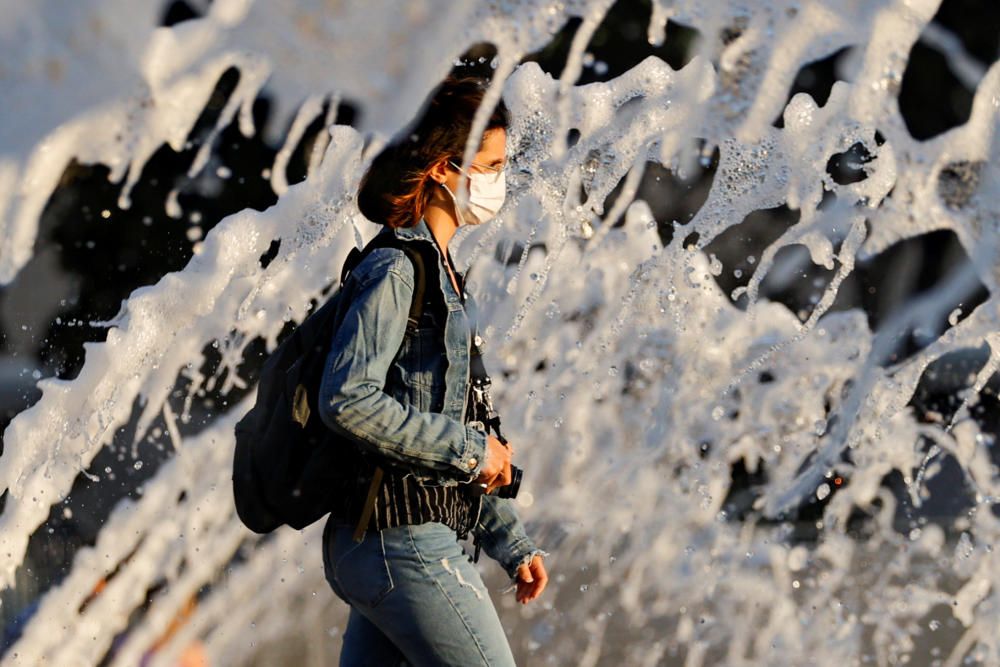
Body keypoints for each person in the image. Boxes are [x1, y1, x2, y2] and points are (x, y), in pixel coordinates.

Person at [317, 75, 549, 666]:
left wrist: (510, 541)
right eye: (491, 165)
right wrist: (472, 449)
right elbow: (347, 398)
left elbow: (463, 427)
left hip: (393, 540)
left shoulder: (441, 276)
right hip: (403, 543)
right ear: (445, 168)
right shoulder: (397, 269)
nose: (501, 181)